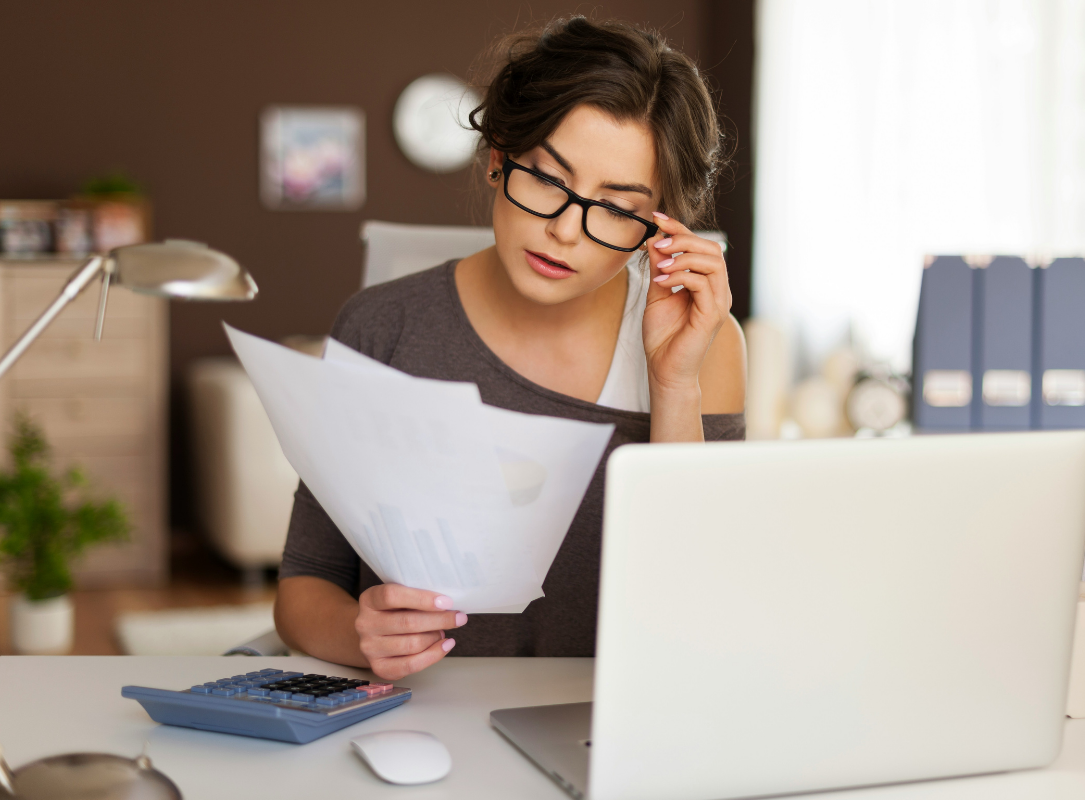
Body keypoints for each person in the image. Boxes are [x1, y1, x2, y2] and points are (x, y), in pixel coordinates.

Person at [274, 16, 747, 679]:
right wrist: (361, 635)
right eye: (550, 182)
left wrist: (674, 384)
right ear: (499, 155)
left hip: (608, 734)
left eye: (616, 208)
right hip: (416, 728)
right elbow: (304, 584)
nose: (565, 233)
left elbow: (703, 608)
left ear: (655, 227)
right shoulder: (383, 328)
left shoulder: (706, 344)